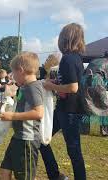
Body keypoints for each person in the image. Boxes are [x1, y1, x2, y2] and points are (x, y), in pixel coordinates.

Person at [40, 23, 87, 180]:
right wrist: (53, 81)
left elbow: (73, 87)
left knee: (74, 150)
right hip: (63, 109)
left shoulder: (69, 59)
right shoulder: (73, 58)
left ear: (65, 39)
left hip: (70, 111)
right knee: (42, 138)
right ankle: (55, 176)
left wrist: (50, 85)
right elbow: (69, 82)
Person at [0, 52, 44, 180]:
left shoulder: (33, 88)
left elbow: (39, 113)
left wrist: (13, 116)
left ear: (21, 71)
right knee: (5, 169)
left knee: (24, 176)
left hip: (27, 140)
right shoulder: (26, 87)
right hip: (18, 137)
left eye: (13, 72)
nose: (12, 76)